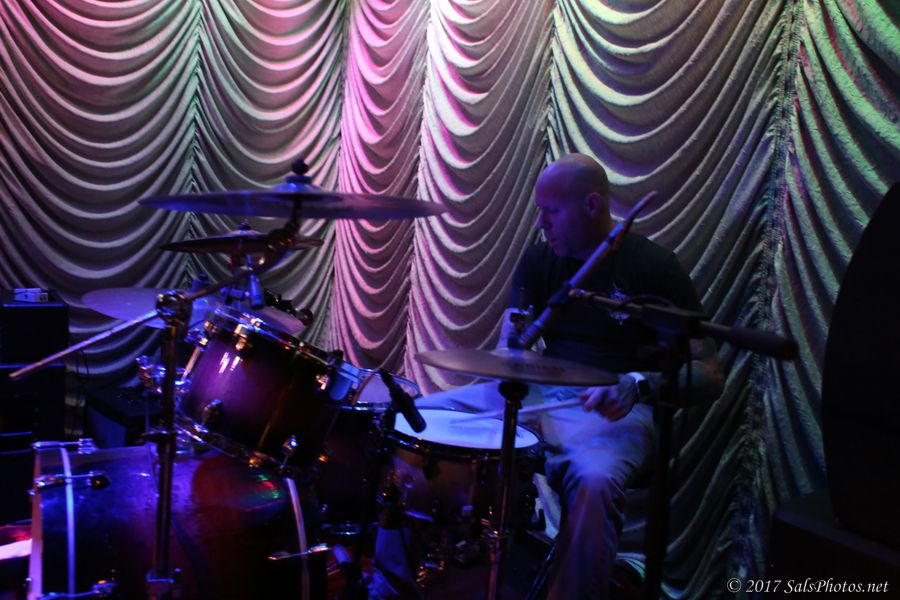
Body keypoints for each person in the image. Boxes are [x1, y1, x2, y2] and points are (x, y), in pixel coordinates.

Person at [369, 153, 723, 599]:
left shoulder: (653, 266)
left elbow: (710, 373)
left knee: (594, 482)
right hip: (538, 394)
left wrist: (638, 384)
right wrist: (512, 348)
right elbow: (510, 350)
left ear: (592, 205)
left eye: (551, 212)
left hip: (612, 409)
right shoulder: (540, 260)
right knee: (410, 422)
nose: (541, 224)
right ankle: (389, 582)